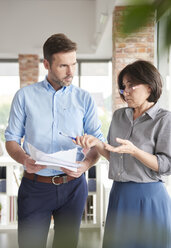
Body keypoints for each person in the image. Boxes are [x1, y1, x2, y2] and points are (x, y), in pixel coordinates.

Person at [5, 33, 103, 248]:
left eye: (74, 64)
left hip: (74, 187)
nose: (70, 72)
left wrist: (85, 164)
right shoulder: (24, 96)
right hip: (35, 187)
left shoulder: (84, 98)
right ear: (46, 64)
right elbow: (11, 140)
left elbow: (98, 144)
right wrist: (24, 159)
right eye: (63, 66)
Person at [75, 60, 171, 248]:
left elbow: (166, 165)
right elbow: (115, 157)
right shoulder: (119, 116)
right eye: (123, 87)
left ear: (149, 87)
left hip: (150, 198)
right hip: (120, 195)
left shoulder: (164, 119)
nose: (125, 92)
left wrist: (135, 151)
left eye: (131, 86)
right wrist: (98, 144)